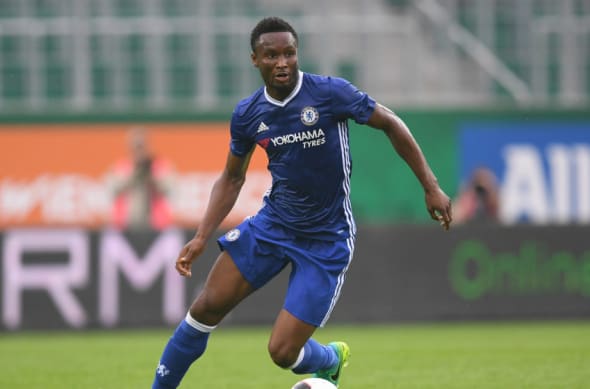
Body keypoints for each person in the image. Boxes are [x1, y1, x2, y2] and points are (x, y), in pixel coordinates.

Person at [152, 16, 452, 388]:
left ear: (298, 55)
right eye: (272, 55)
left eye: (289, 53)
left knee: (282, 353)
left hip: (326, 239)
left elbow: (391, 123)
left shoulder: (329, 94)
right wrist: (200, 237)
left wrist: (430, 185)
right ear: (255, 60)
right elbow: (232, 177)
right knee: (203, 309)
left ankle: (329, 358)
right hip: (273, 225)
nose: (282, 62)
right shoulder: (248, 114)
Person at [106, 127, 174, 231]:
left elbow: (168, 189)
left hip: (156, 225)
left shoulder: (158, 166)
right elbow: (113, 188)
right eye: (136, 147)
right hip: (126, 225)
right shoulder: (121, 167)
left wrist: (150, 176)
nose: (139, 151)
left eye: (142, 146)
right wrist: (135, 174)